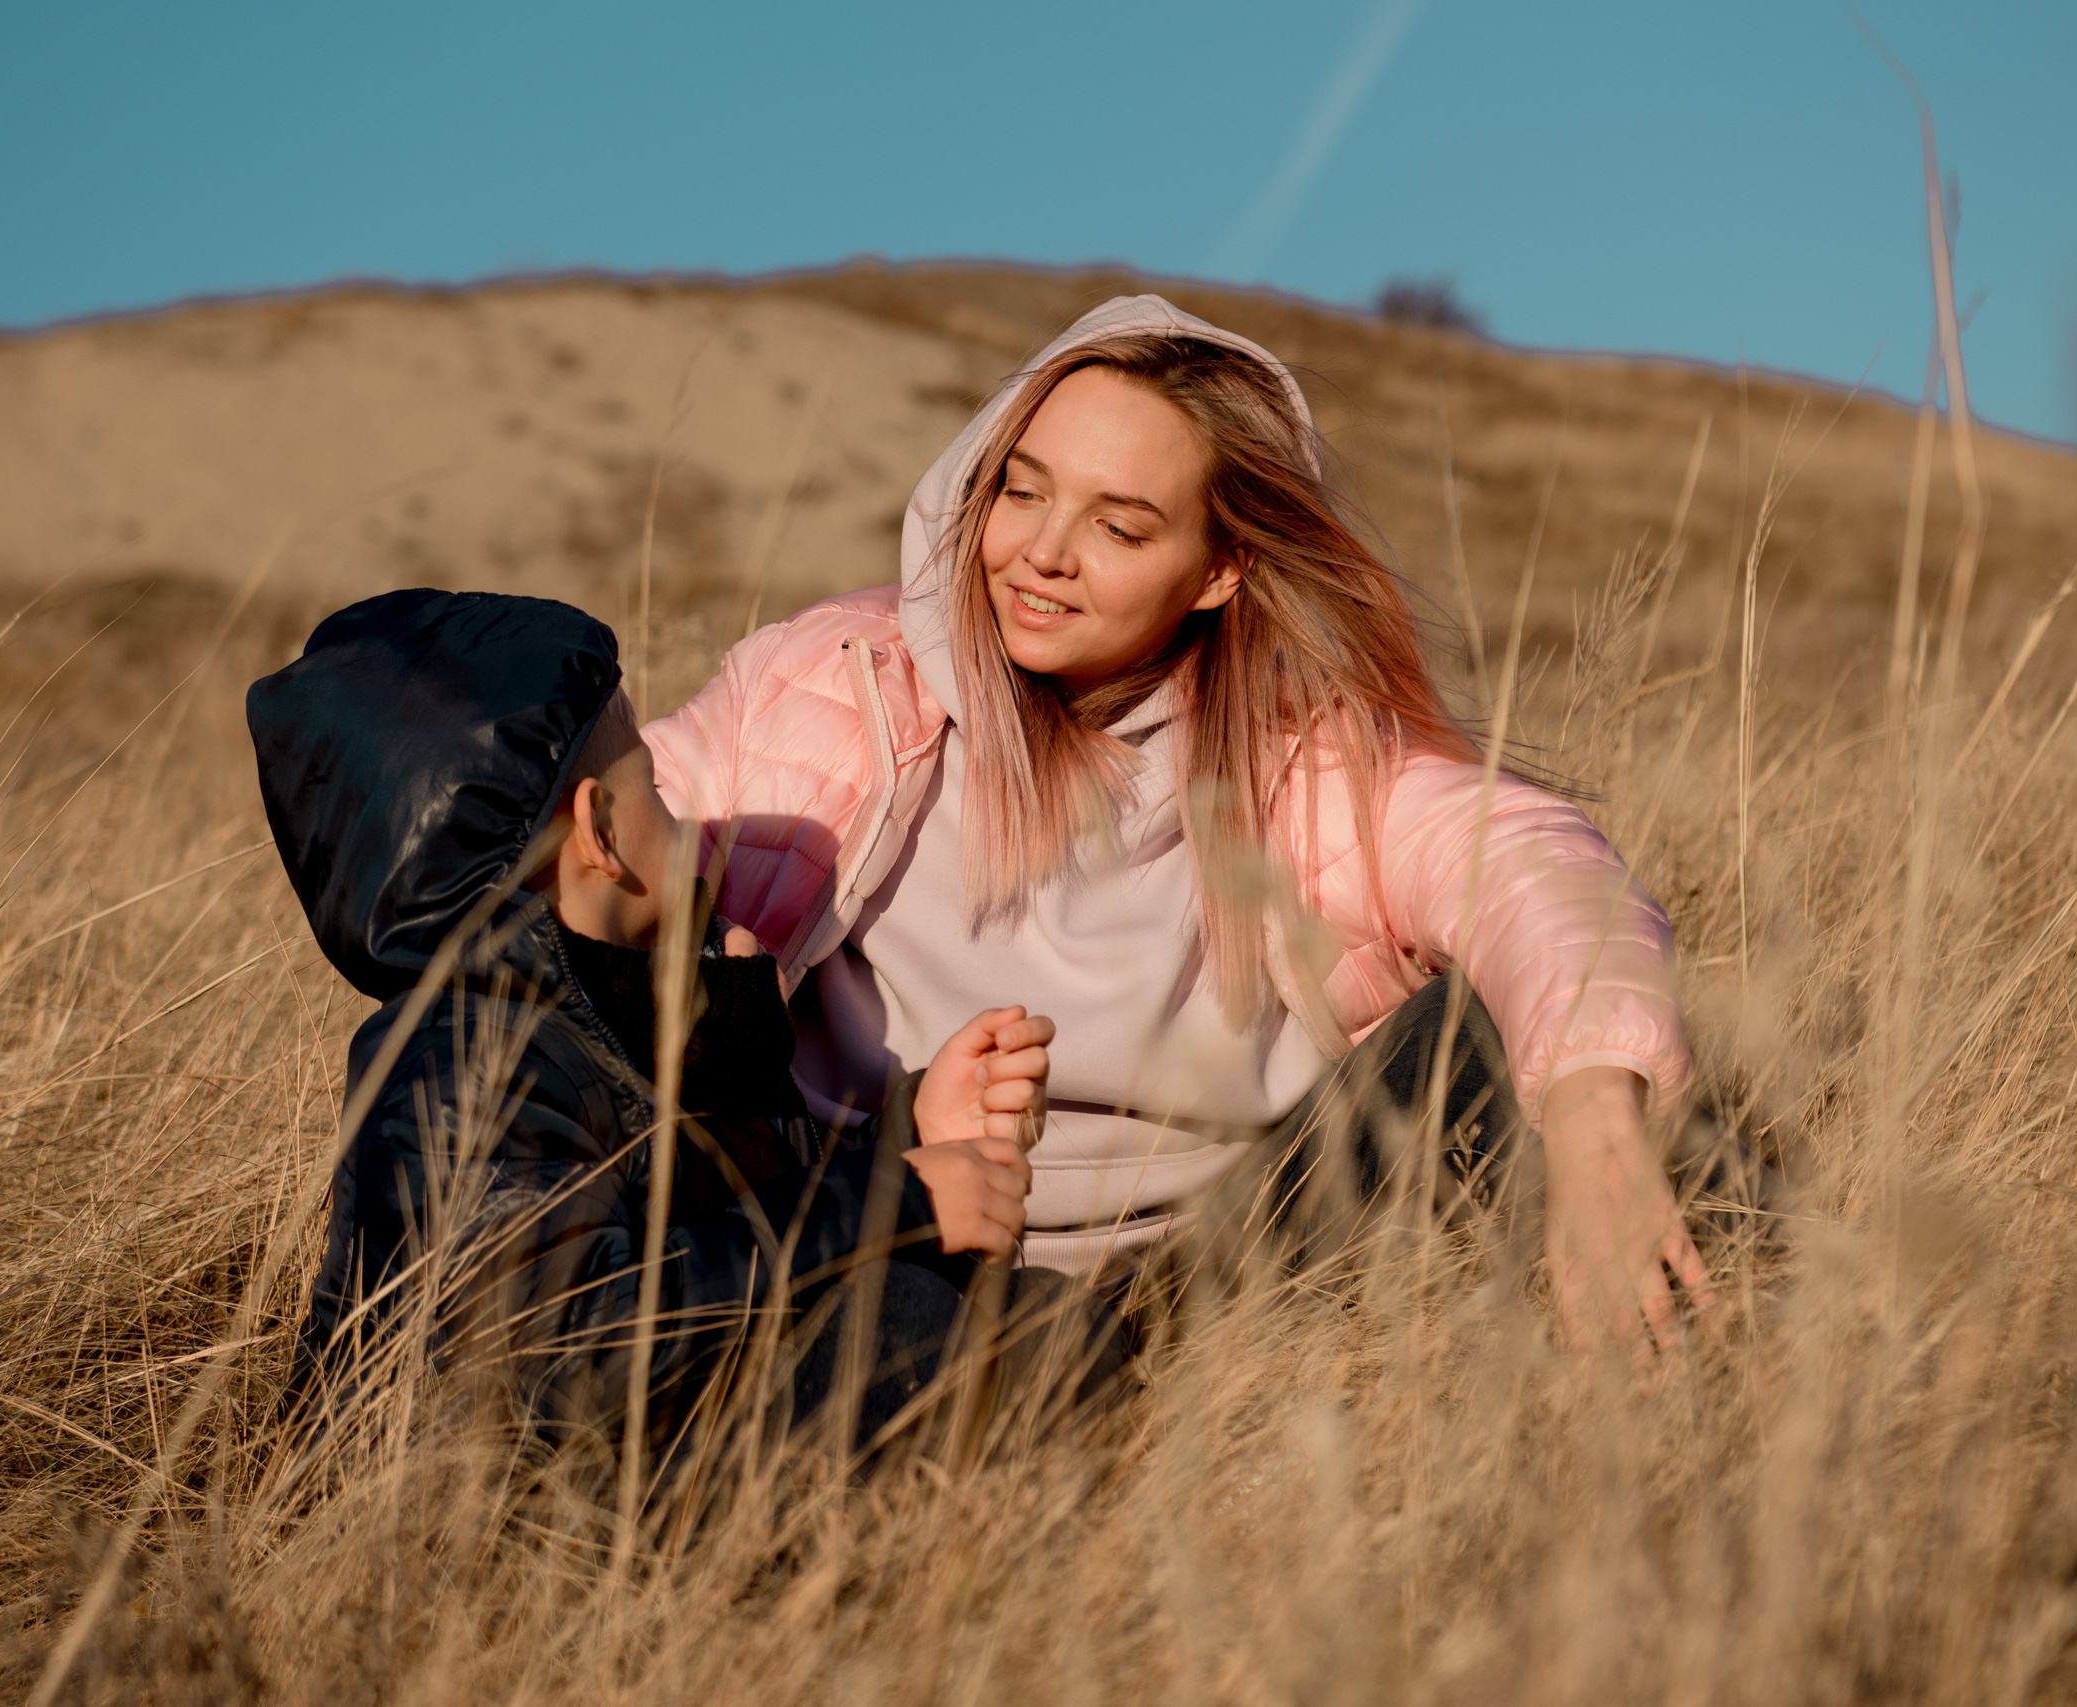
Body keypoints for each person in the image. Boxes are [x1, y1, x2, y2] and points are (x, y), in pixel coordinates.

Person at [645, 295, 1710, 1353]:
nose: (1042, 553)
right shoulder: (832, 684)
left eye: (1119, 526)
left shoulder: (1305, 751)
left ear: (1218, 568)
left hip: (1237, 1265)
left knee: (1492, 1034)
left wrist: (1592, 1128)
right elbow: (604, 835)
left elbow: (1530, 867)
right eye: (1022, 491)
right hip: (884, 1238)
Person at [246, 588, 1127, 1462]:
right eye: (655, 788)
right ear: (599, 828)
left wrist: (910, 1131)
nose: (685, 815)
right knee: (924, 1327)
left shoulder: (623, 1006)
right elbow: (563, 1354)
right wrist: (894, 1200)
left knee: (1022, 1329)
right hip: (466, 1525)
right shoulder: (463, 1062)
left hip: (635, 1464)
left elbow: (739, 1225)